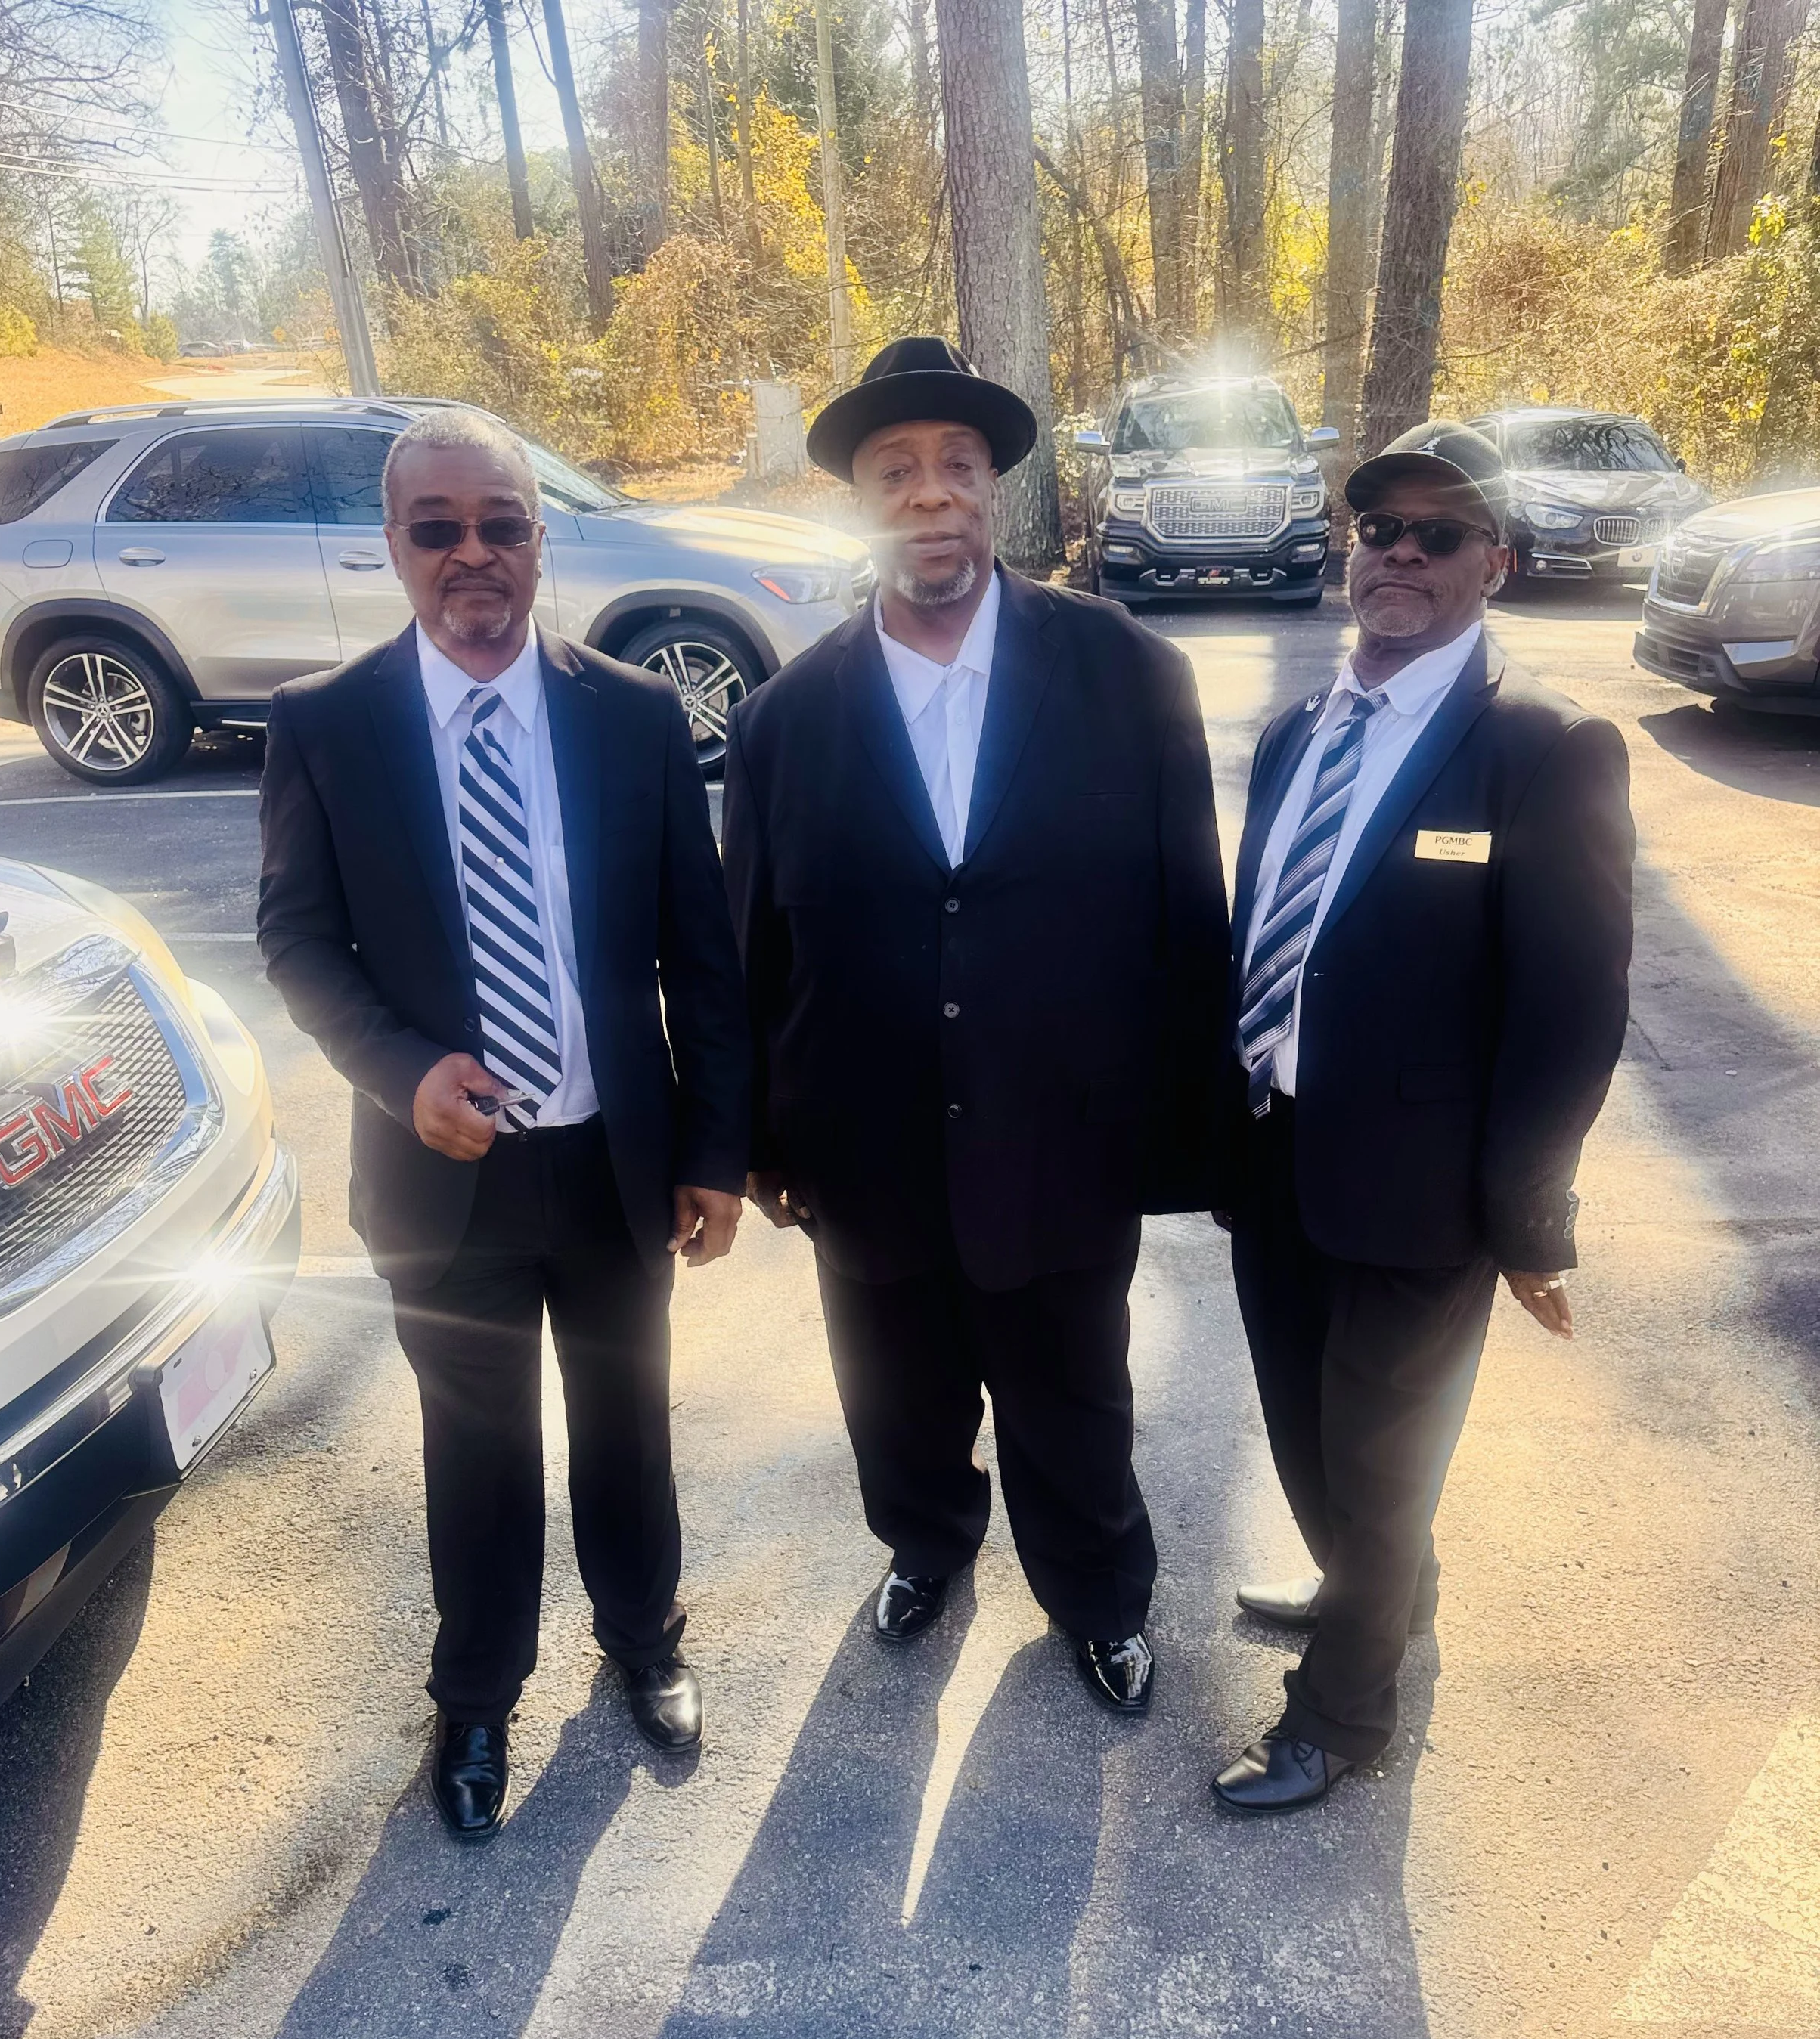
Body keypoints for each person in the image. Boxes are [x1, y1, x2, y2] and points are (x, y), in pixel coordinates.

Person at [259, 407, 751, 1840]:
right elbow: (299, 942)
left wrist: (714, 1151)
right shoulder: (326, 722)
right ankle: (476, 1696)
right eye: (438, 528)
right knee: (473, 1451)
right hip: (442, 1174)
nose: (471, 553)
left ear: (540, 539)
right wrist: (400, 1070)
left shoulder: (634, 716)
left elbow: (701, 956)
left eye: (501, 524)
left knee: (627, 1425)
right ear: (395, 544)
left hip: (615, 1163)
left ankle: (646, 1639)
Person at [723, 336, 1231, 1712]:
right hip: (863, 1144)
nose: (931, 493)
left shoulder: (1126, 672)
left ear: (994, 487)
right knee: (899, 1394)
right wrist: (755, 1140)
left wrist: (1191, 1135)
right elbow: (750, 949)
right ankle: (927, 1543)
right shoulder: (784, 720)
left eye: (957, 464)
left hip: (1065, 1134)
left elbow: (1189, 918)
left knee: (1073, 1396)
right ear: (860, 500)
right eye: (896, 470)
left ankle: (1099, 1598)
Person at [1211, 421, 1635, 1814]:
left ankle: (1343, 1716)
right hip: (1278, 1151)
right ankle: (1378, 1594)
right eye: (1378, 528)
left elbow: (1573, 1013)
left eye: (1437, 534)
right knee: (1302, 1427)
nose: (1399, 552)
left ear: (1493, 565)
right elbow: (1269, 937)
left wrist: (1529, 1221)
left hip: (1426, 1191)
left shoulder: (1545, 749)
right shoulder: (1296, 734)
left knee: (1380, 1460)